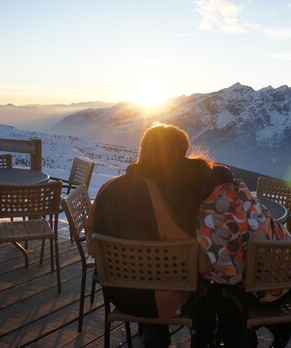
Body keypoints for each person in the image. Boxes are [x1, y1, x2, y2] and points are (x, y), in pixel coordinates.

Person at [87, 123, 232, 348]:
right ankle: (203, 336)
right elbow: (185, 249)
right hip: (155, 300)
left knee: (152, 271)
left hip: (117, 292)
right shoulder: (158, 197)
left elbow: (93, 243)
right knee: (207, 279)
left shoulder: (108, 188)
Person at [197, 179, 291, 348]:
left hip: (267, 294)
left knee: (226, 297)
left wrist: (206, 270)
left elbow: (232, 276)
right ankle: (278, 335)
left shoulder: (213, 217)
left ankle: (242, 340)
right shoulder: (245, 197)